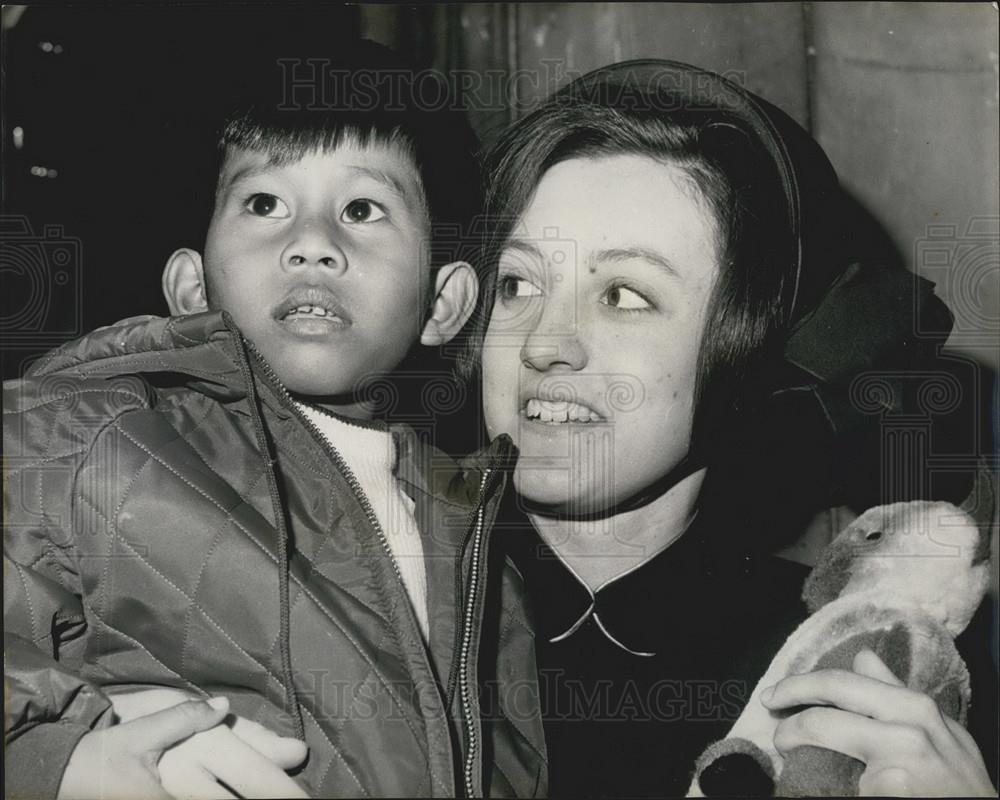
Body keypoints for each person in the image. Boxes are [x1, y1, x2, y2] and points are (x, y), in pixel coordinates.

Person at [4, 42, 546, 799]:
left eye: (362, 210)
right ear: (193, 288)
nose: (312, 244)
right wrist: (60, 764)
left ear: (441, 302)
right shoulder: (85, 441)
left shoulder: (478, 548)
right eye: (264, 205)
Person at [473, 59, 997, 797]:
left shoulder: (857, 664)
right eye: (517, 283)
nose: (541, 343)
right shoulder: (373, 605)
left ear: (754, 350)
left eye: (623, 294)